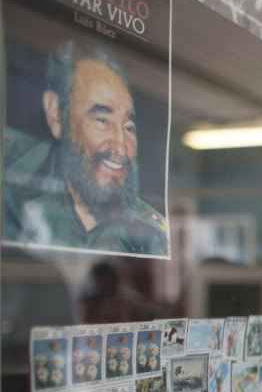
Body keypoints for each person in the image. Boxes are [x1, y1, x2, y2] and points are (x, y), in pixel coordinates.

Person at [3, 40, 167, 255]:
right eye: (102, 120)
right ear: (55, 114)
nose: (120, 146)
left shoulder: (152, 231)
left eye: (129, 128)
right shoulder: (13, 199)